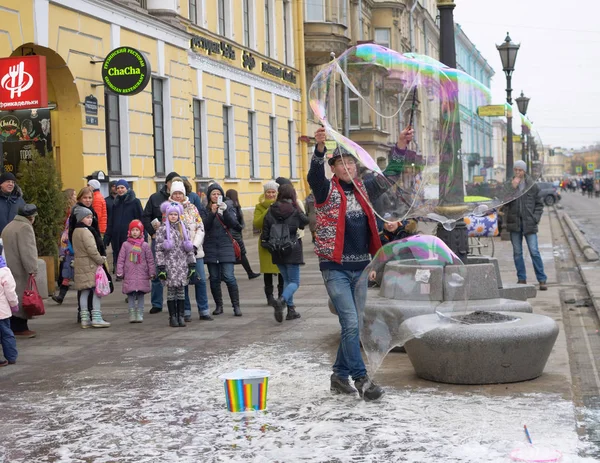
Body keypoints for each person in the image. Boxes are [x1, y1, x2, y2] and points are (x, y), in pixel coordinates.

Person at [307, 126, 415, 401]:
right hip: (335, 268)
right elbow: (313, 176)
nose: (348, 167)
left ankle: (338, 376)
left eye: (352, 162)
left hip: (361, 267)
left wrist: (400, 145)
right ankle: (361, 378)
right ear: (334, 167)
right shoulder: (325, 190)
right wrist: (319, 149)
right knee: (351, 323)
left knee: (352, 326)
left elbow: (389, 175)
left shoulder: (365, 188)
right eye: (342, 163)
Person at [261, 184, 309, 322]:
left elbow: (265, 229)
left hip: (276, 249)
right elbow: (305, 221)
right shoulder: (294, 209)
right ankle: (281, 300)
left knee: (287, 280)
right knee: (294, 282)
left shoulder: (271, 209)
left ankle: (291, 310)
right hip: (291, 248)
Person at [168, 179, 212, 322]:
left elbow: (200, 228)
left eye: (180, 193)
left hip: (195, 252)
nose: (178, 196)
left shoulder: (192, 208)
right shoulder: (168, 209)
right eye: (175, 193)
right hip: (179, 254)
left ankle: (204, 310)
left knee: (200, 281)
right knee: (182, 282)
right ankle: (185, 311)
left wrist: (194, 246)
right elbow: (168, 231)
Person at [505, 160, 548, 291]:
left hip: (529, 223)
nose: (518, 172)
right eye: (516, 170)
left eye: (520, 170)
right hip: (515, 223)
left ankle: (542, 280)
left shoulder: (532, 185)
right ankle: (521, 279)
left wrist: (535, 218)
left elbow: (539, 204)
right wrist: (511, 188)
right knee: (517, 252)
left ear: (524, 171)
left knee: (534, 251)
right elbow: (503, 202)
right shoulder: (509, 184)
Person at [142, 171, 180, 314]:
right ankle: (157, 303)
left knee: (175, 270)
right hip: (159, 240)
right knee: (158, 270)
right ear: (167, 183)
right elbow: (146, 216)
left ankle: (177, 300)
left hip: (176, 241)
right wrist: (152, 232)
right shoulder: (155, 198)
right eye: (172, 183)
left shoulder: (181, 199)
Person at [155, 201, 196, 327]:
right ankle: (172, 316)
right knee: (171, 291)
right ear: (167, 215)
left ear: (179, 215)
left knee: (181, 291)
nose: (173, 216)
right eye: (171, 214)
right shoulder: (162, 229)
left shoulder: (183, 228)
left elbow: (188, 247)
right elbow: (158, 249)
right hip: (169, 265)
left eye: (175, 214)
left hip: (182, 266)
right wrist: (161, 266)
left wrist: (192, 264)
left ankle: (181, 315)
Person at [203, 183, 242, 316]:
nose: (216, 196)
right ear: (209, 196)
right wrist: (212, 213)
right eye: (213, 194)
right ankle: (219, 306)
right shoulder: (205, 209)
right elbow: (204, 227)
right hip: (211, 246)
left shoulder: (228, 207)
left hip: (226, 245)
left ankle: (236, 306)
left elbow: (235, 225)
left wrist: (224, 211)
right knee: (214, 278)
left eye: (218, 194)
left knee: (229, 276)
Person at [2, 204, 39, 337]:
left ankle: (13, 326)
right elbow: (28, 250)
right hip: (20, 268)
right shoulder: (25, 228)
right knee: (22, 297)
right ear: (31, 217)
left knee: (11, 297)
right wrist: (32, 269)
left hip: (8, 267)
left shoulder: (9, 225)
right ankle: (21, 327)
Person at [72, 207, 110, 328]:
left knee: (84, 291)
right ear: (81, 218)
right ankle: (97, 317)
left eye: (91, 217)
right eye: (87, 217)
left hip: (80, 264)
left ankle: (85, 318)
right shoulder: (86, 232)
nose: (90, 220)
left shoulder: (75, 231)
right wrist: (101, 260)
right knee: (96, 291)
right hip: (90, 265)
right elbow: (92, 250)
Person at [116, 220, 155, 323]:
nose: (135, 232)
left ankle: (140, 313)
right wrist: (119, 271)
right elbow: (121, 259)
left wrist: (152, 272)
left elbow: (150, 260)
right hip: (130, 274)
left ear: (141, 232)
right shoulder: (125, 245)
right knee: (131, 295)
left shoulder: (145, 245)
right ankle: (132, 313)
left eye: (137, 230)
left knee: (141, 295)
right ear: (129, 231)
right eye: (133, 230)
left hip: (142, 274)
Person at [253, 181, 284, 306]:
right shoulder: (259, 207)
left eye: (273, 192)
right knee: (267, 271)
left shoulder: (282, 205)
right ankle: (269, 297)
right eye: (268, 192)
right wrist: (268, 210)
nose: (271, 195)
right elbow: (257, 223)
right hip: (266, 243)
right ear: (264, 193)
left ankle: (282, 295)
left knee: (281, 269)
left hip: (280, 241)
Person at [104, 179, 144, 271]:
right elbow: (111, 221)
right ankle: (120, 272)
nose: (120, 190)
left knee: (132, 261)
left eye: (122, 187)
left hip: (132, 237)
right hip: (116, 237)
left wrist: (142, 236)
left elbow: (141, 220)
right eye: (118, 188)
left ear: (127, 188)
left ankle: (134, 273)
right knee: (119, 258)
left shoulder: (135, 202)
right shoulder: (115, 203)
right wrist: (106, 238)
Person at [226, 189, 260, 280]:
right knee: (241, 253)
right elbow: (234, 220)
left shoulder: (232, 205)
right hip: (235, 233)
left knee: (237, 253)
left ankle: (249, 273)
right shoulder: (232, 205)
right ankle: (250, 273)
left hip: (233, 232)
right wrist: (240, 227)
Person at [52, 189, 77, 304]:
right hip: (68, 251)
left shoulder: (74, 212)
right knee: (66, 274)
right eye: (74, 194)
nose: (76, 196)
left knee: (74, 275)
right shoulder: (69, 212)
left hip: (74, 250)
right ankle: (61, 296)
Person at [0, 243, 18, 367]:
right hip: (2, 310)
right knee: (6, 333)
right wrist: (14, 304)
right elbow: (10, 291)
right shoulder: (4, 271)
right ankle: (11, 356)